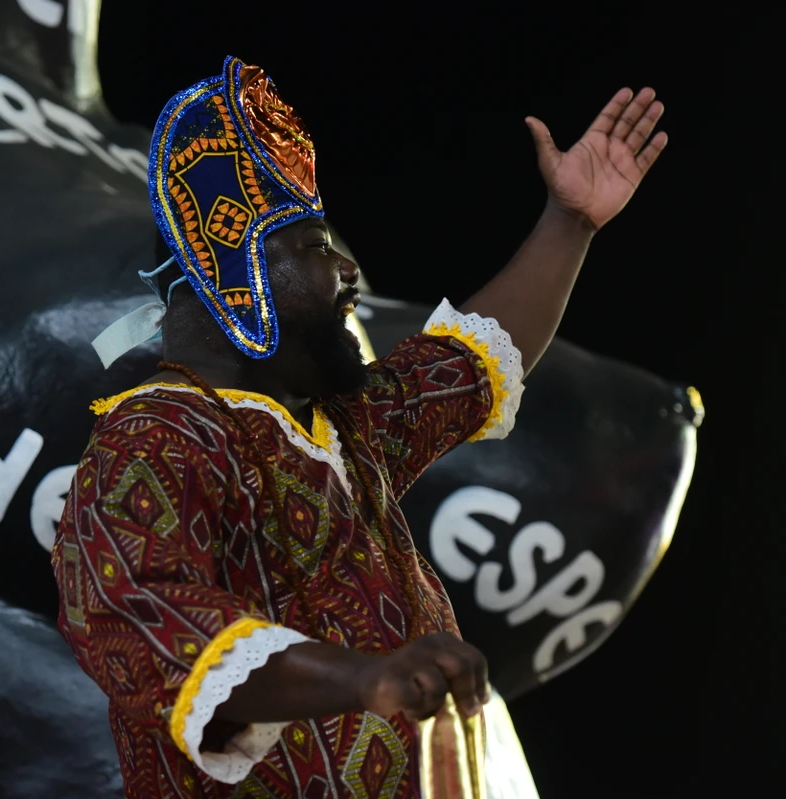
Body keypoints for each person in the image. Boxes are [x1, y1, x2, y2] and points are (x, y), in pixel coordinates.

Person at [51, 56, 666, 798]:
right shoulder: (154, 437)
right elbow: (144, 622)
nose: (346, 265)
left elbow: (470, 362)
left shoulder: (342, 428)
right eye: (313, 245)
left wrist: (570, 221)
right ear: (233, 273)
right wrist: (365, 677)